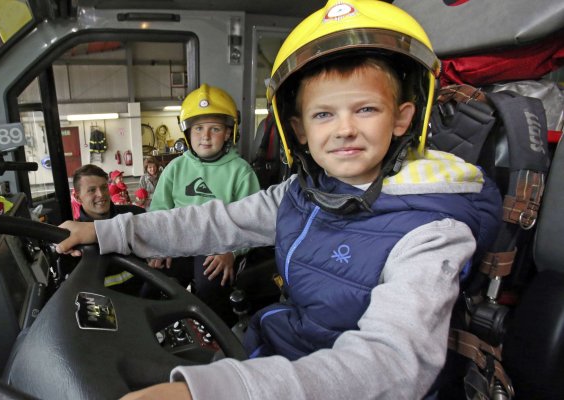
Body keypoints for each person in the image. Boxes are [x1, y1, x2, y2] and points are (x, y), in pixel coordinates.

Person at [57, 1, 502, 398]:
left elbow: (389, 363)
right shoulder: (304, 193)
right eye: (324, 114)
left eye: (365, 109)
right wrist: (104, 230)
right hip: (276, 351)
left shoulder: (433, 228)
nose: (344, 129)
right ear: (300, 130)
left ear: (404, 117)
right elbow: (210, 223)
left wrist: (214, 391)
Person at [146, 83, 260, 325]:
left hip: (217, 247)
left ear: (229, 133)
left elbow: (252, 222)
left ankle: (217, 339)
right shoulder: (175, 168)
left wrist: (232, 252)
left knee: (211, 286)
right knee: (152, 284)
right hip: (177, 243)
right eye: (198, 128)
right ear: (187, 133)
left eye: (215, 128)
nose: (205, 136)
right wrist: (160, 245)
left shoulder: (241, 172)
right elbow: (158, 211)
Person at [69, 164, 145, 292]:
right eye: (92, 190)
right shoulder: (74, 237)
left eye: (104, 187)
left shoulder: (136, 215)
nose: (101, 194)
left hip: (147, 298)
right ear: (77, 197)